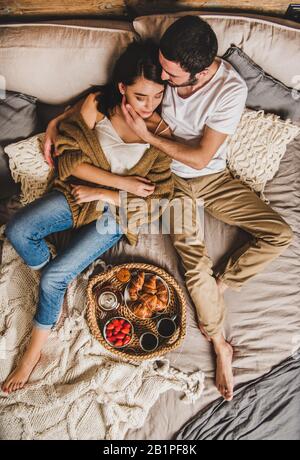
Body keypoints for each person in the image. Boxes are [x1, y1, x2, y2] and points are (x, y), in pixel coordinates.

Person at [42, 17, 294, 402]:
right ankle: (220, 345)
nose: (161, 77)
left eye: (170, 75)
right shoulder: (162, 70)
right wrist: (57, 122)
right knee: (194, 264)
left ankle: (221, 284)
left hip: (212, 175)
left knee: (280, 233)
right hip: (173, 183)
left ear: (200, 70)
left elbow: (200, 158)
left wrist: (147, 136)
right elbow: (108, 94)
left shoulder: (230, 90)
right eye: (161, 66)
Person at [2, 40, 173, 394]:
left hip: (114, 214)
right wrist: (123, 182)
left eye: (157, 96)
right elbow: (69, 159)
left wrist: (107, 192)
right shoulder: (98, 104)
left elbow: (156, 198)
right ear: (122, 87)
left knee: (51, 280)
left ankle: (31, 354)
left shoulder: (160, 133)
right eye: (141, 96)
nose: (149, 105)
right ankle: (55, 274)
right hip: (77, 197)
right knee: (18, 230)